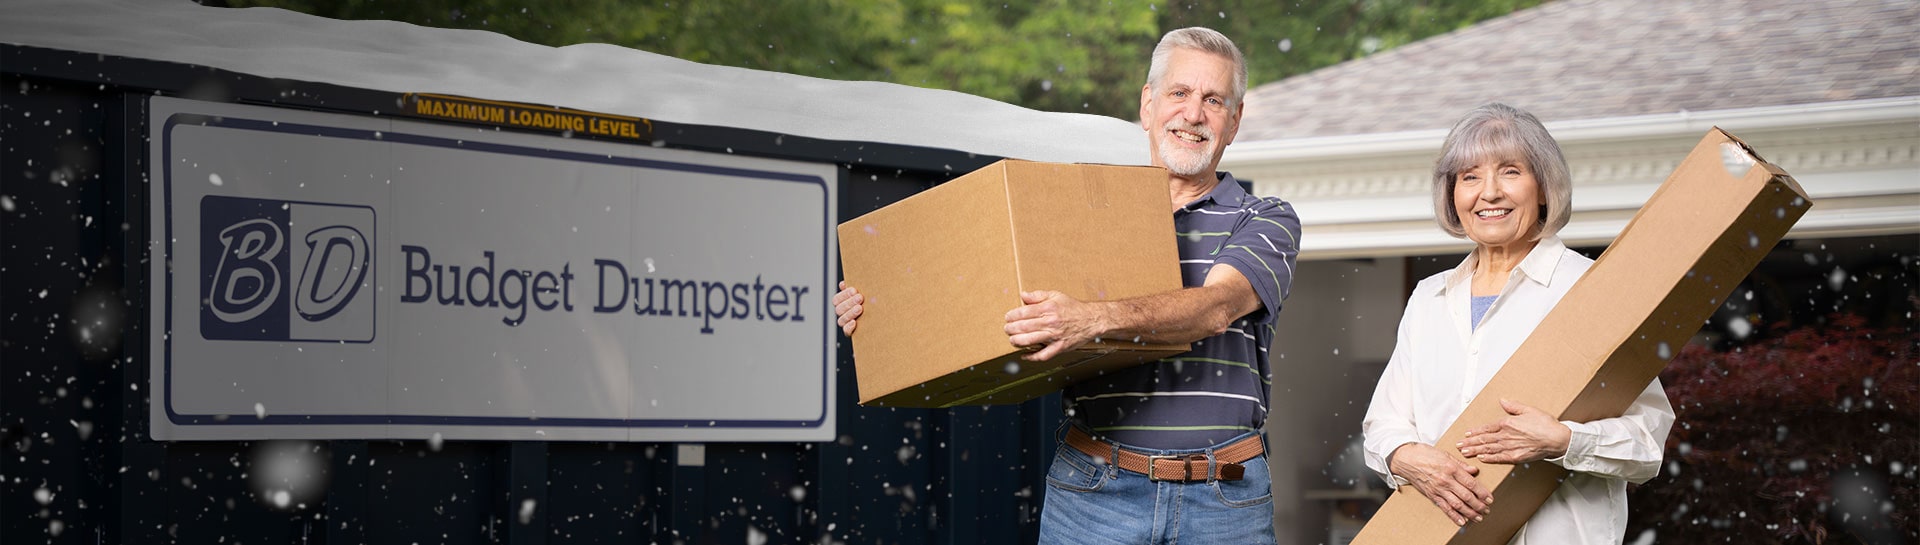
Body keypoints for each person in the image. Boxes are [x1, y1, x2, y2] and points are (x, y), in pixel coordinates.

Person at [833, 27, 1298, 543]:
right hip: (1095, 493)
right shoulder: (1077, 215)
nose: (1193, 114)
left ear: (1233, 122)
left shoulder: (1266, 219)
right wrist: (881, 310)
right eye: (1179, 93)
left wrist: (1094, 317)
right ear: (1148, 105)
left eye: (1214, 100)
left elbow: (1215, 307)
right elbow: (977, 296)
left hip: (1224, 500)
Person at [1359, 103, 1675, 544]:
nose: (1488, 193)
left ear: (1544, 187)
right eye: (1469, 177)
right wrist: (1407, 456)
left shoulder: (1591, 290)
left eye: (1509, 172)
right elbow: (1383, 424)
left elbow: (1648, 442)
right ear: (1453, 195)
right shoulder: (1428, 299)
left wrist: (1563, 441)